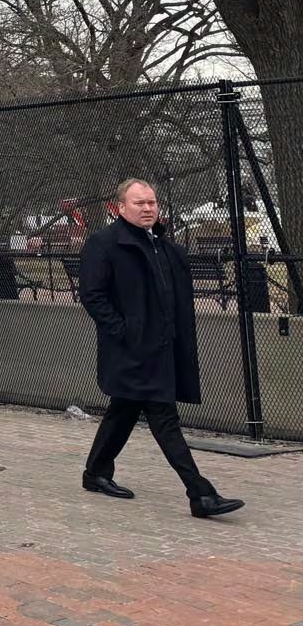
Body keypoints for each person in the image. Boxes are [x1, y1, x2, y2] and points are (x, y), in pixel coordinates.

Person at [79, 179, 243, 518]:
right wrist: (124, 332)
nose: (148, 208)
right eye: (139, 203)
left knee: (123, 411)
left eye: (151, 202)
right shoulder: (105, 244)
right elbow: (93, 295)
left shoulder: (165, 247)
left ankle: (95, 473)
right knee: (164, 419)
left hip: (163, 349)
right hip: (131, 351)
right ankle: (201, 494)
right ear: (120, 207)